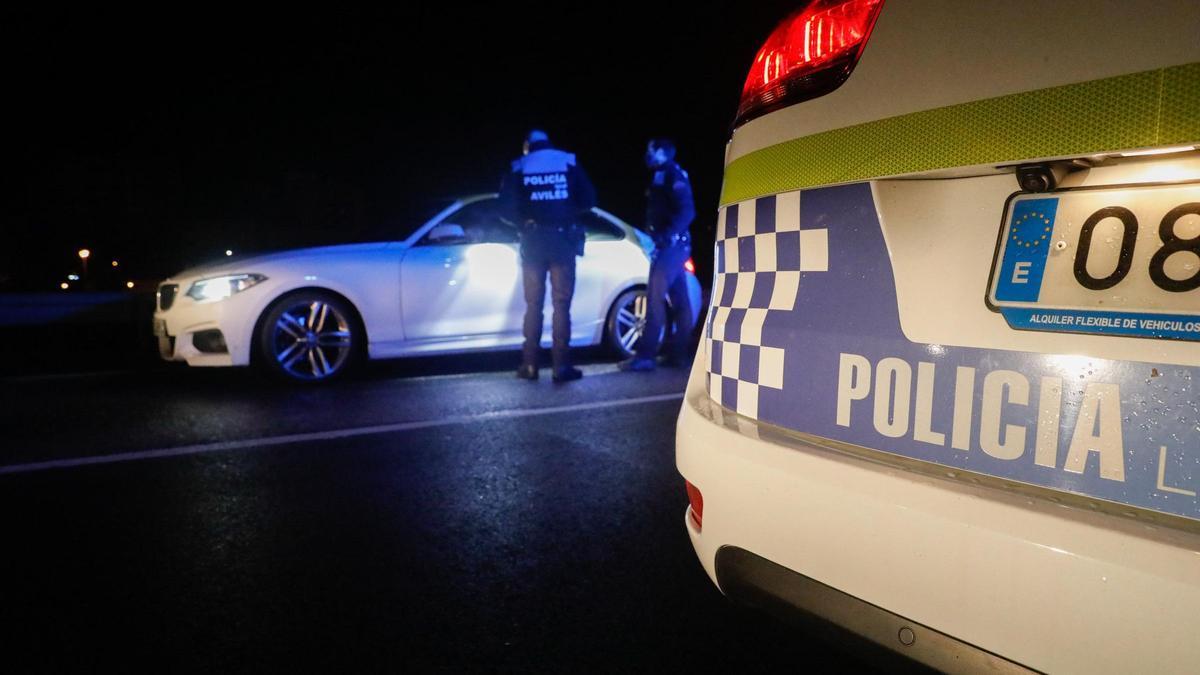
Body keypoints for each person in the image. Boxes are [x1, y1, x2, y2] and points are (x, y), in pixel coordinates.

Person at [498, 129, 596, 382]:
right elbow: (589, 199)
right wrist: (565, 212)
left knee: (533, 305)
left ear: (527, 146)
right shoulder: (568, 161)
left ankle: (530, 366)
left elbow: (505, 209)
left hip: (532, 243)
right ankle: (561, 367)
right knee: (561, 305)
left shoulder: (519, 166)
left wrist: (525, 222)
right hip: (563, 241)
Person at [623, 138, 696, 372]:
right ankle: (679, 355)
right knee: (680, 300)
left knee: (654, 298)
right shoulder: (662, 174)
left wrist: (667, 235)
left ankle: (646, 356)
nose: (647, 155)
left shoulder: (672, 175)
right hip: (672, 247)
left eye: (650, 151)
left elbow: (688, 211)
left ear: (662, 153)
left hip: (671, 248)